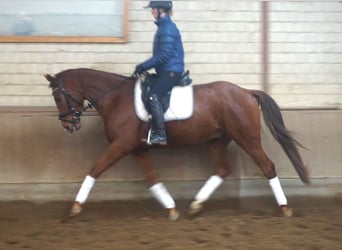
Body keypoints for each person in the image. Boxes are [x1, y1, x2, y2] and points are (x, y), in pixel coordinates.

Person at [134, 1, 185, 145]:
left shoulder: (167, 28)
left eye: (153, 9)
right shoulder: (164, 27)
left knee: (153, 95)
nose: (151, 12)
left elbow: (164, 55)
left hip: (171, 70)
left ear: (161, 10)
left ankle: (161, 134)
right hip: (167, 69)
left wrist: (143, 66)